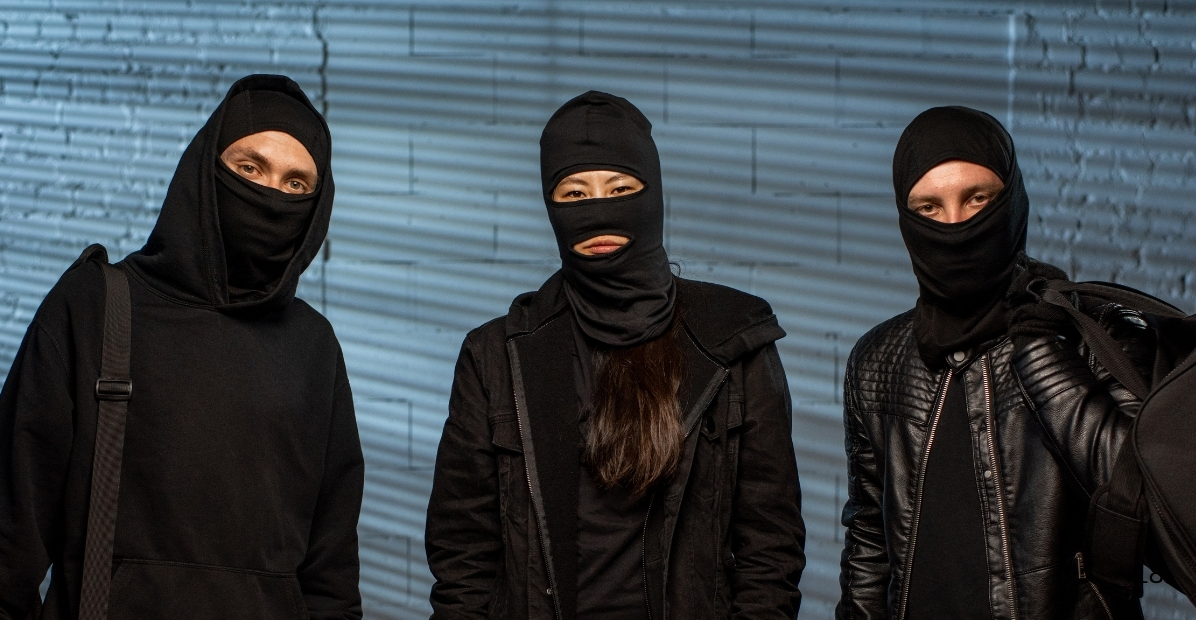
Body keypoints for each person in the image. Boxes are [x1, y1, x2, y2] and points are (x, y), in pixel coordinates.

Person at [426, 91, 806, 620]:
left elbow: (770, 555)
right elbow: (462, 563)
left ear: (653, 195)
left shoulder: (733, 344)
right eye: (575, 193)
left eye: (620, 188)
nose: (599, 210)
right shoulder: (495, 357)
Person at [0, 74, 364, 619]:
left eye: (295, 185)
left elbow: (330, 574)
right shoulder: (94, 306)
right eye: (249, 168)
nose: (269, 195)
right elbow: (7, 538)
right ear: (204, 170)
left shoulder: (314, 348)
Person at [837, 106, 1154, 619]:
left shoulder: (1094, 333)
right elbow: (871, 542)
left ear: (1012, 200)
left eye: (977, 198)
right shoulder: (878, 361)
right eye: (929, 208)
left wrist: (1047, 362)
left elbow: (1152, 506)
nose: (957, 226)